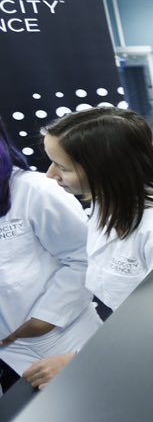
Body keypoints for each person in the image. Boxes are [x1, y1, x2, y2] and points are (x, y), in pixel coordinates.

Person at [24, 107, 153, 389]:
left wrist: (83, 361)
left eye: (63, 167)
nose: (49, 174)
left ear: (103, 168)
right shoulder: (104, 205)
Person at [0, 114, 102, 392]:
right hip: (7, 359)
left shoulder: (33, 189)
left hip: (60, 341)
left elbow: (83, 257)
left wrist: (44, 320)